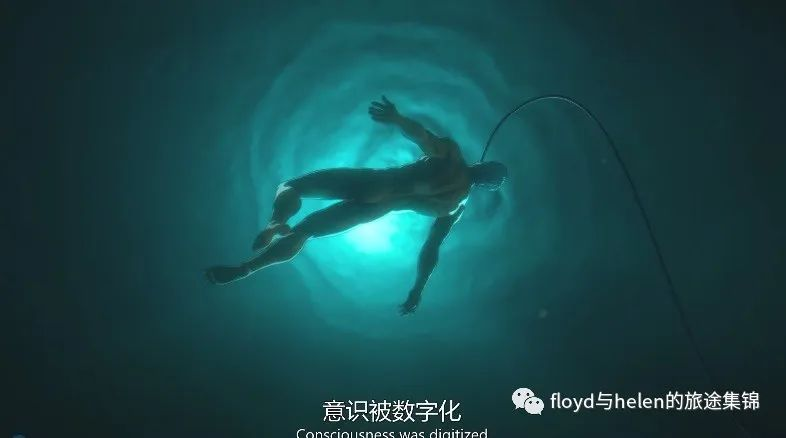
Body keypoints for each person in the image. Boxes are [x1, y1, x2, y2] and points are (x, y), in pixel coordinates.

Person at [206, 96, 508, 314]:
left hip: (377, 184)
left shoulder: (453, 157)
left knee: (293, 186)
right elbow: (431, 249)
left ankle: (275, 221)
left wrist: (398, 118)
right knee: (305, 233)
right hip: (376, 210)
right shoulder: (454, 208)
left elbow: (425, 138)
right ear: (486, 185)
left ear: (483, 165)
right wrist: (418, 289)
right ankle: (246, 269)